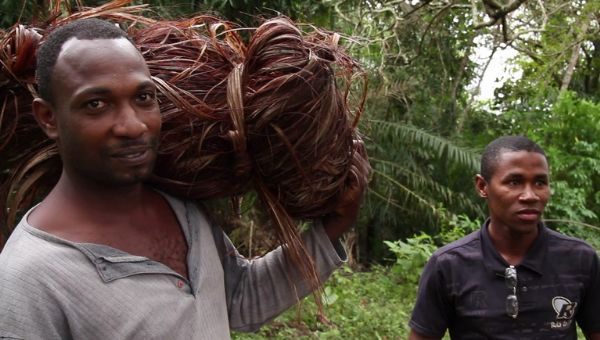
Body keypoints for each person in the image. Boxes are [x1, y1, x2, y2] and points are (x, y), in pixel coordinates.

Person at [0, 19, 369, 339]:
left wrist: (334, 225)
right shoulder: (28, 279)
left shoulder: (182, 209)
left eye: (144, 97)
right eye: (96, 103)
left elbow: (237, 300)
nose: (133, 125)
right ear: (48, 118)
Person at [409, 136, 600, 340]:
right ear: (482, 186)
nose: (530, 195)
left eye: (540, 182)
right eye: (514, 182)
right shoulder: (448, 265)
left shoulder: (579, 259)